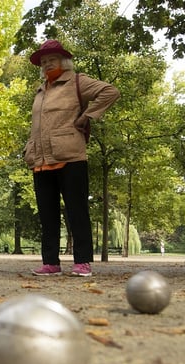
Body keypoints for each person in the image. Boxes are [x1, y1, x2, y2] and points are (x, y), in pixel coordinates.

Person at [24, 39, 119, 277]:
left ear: (64, 61)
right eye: (44, 62)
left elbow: (110, 92)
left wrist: (87, 115)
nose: (47, 65)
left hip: (70, 156)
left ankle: (82, 262)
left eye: (51, 60)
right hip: (41, 160)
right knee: (47, 214)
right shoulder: (41, 89)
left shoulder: (77, 81)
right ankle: (50, 262)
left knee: (77, 210)